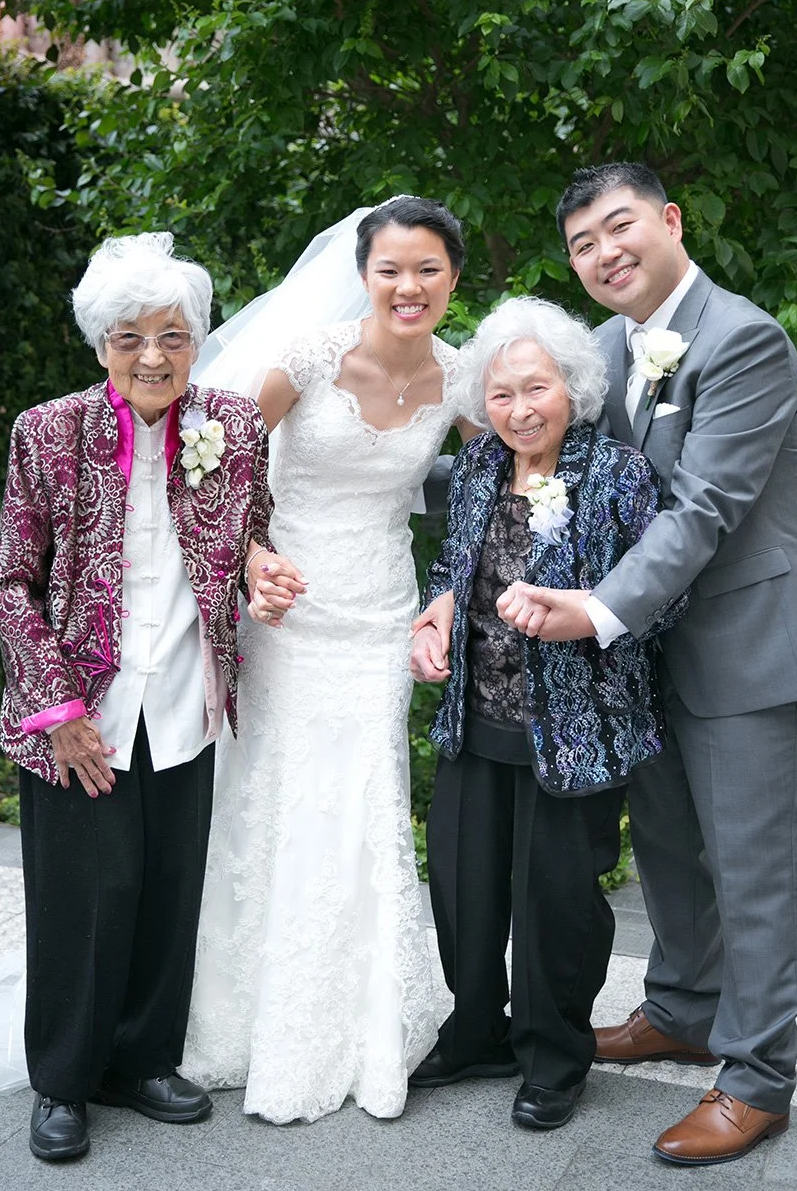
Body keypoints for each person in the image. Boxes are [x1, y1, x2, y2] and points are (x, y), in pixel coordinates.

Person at [497, 162, 797, 1164]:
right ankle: (685, 1006)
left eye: (620, 228)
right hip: (641, 656)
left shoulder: (744, 339)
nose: (605, 254)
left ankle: (757, 1077)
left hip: (741, 643)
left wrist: (599, 608)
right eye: (582, 244)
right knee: (666, 849)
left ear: (668, 220)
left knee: (757, 868)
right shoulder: (602, 351)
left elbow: (702, 509)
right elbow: (556, 466)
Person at [181, 197, 478, 1124]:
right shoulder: (307, 359)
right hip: (290, 610)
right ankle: (243, 1013)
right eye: (391, 268)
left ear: (453, 279)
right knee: (279, 794)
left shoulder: (464, 380)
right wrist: (250, 561)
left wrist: (451, 591)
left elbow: (483, 499)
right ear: (364, 274)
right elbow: (218, 468)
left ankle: (367, 1021)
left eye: (427, 269)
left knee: (369, 795)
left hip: (382, 612)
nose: (409, 286)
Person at [0, 232, 274, 1161]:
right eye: (130, 337)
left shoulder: (232, 427)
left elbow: (252, 532)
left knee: (166, 884)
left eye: (174, 335)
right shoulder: (47, 430)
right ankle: (65, 1081)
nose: (154, 355)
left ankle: (145, 1059)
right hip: (81, 711)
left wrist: (264, 569)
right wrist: (58, 710)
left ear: (198, 339)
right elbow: (9, 583)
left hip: (187, 696)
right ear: (100, 343)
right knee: (80, 894)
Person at [406, 296, 685, 1130]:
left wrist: (583, 605)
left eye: (537, 389)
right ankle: (475, 1032)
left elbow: (662, 601)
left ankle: (554, 1054)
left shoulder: (619, 474)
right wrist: (435, 615)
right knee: (463, 890)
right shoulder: (479, 467)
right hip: (477, 722)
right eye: (501, 395)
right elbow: (455, 567)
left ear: (572, 385)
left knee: (557, 902)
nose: (520, 410)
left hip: (576, 728)